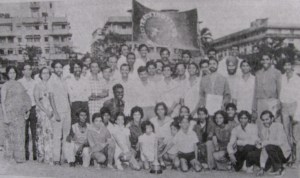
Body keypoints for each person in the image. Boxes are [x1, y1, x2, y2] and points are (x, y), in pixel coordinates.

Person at [1, 65, 31, 164]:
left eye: (14, 72)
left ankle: (20, 158)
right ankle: (10, 157)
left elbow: (26, 98)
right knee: (10, 136)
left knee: (20, 136)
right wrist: (5, 116)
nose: (12, 75)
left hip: (20, 114)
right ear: (7, 74)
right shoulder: (5, 85)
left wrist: (27, 110)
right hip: (9, 114)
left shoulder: (20, 84)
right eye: (10, 73)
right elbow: (3, 101)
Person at [248, 111, 291, 176]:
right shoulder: (264, 129)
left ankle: (279, 169)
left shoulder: (278, 126)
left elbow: (279, 142)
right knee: (254, 153)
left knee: (269, 147)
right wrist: (262, 168)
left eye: (267, 119)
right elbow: (264, 149)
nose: (265, 122)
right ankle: (267, 167)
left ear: (272, 118)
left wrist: (264, 142)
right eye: (263, 120)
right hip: (271, 152)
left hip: (284, 154)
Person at [48, 61, 71, 165]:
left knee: (66, 135)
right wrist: (55, 112)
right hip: (58, 111)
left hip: (67, 111)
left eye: (60, 67)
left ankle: (65, 157)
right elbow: (51, 97)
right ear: (53, 69)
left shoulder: (64, 79)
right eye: (56, 67)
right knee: (57, 136)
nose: (58, 69)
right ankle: (56, 159)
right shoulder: (51, 80)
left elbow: (67, 96)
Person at [253, 53, 281, 131]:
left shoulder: (277, 72)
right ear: (261, 61)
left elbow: (280, 90)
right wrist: (254, 108)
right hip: (261, 102)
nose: (265, 61)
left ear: (271, 60)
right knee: (261, 125)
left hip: (272, 101)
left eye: (267, 59)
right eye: (263, 59)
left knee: (274, 124)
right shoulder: (258, 73)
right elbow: (255, 91)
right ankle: (263, 142)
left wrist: (279, 104)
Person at [280, 59, 300, 165]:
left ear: (291, 66)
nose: (287, 67)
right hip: (284, 107)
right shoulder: (282, 78)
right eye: (285, 65)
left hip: (294, 106)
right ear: (283, 67)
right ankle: (290, 157)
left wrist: (297, 114)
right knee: (286, 133)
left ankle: (297, 159)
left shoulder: (297, 79)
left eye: (289, 64)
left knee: (296, 134)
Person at [33, 67, 54, 165]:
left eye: (47, 73)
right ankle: (41, 156)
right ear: (40, 75)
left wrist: (53, 111)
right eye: (43, 73)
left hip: (51, 112)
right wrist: (46, 111)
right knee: (42, 134)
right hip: (42, 112)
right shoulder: (38, 85)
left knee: (50, 134)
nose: (45, 75)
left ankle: (49, 156)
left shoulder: (52, 85)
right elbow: (37, 100)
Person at [18, 63, 38, 161]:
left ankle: (35, 155)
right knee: (24, 133)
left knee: (35, 133)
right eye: (26, 69)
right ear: (22, 71)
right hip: (23, 109)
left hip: (34, 108)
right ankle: (25, 154)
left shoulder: (35, 82)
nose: (28, 71)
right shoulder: (19, 82)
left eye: (30, 69)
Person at [150, 102, 173, 167]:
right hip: (156, 142)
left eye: (162, 109)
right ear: (156, 111)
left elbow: (172, 134)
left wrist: (164, 142)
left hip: (167, 142)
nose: (160, 111)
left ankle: (159, 159)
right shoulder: (152, 120)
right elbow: (150, 132)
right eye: (158, 109)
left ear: (165, 110)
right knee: (155, 145)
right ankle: (161, 161)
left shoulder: (170, 120)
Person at [66, 60, 90, 124]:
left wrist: (78, 95)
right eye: (75, 67)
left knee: (85, 123)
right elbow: (69, 93)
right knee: (75, 123)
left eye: (79, 67)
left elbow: (88, 93)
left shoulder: (85, 80)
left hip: (84, 104)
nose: (77, 69)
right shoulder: (68, 80)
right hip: (74, 105)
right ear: (72, 69)